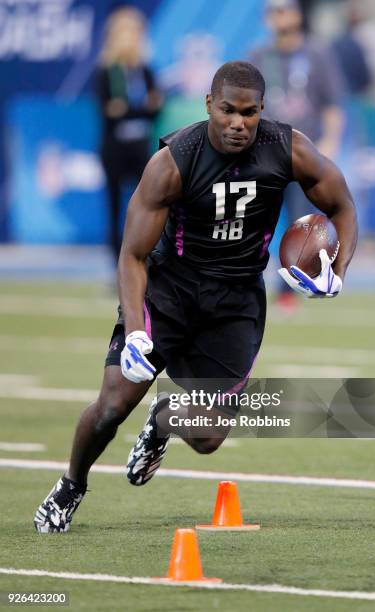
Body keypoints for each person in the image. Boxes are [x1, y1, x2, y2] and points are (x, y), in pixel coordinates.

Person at [34, 61, 357, 533]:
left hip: (236, 301)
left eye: (248, 113)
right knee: (112, 405)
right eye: (227, 110)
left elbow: (342, 205)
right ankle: (71, 485)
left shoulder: (288, 147)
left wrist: (338, 270)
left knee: (208, 437)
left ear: (262, 110)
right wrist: (138, 332)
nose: (237, 123)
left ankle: (164, 419)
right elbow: (132, 255)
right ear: (209, 104)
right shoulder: (174, 161)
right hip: (169, 291)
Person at [249, 0, 345, 311]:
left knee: (301, 224)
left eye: (285, 10)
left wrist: (329, 144)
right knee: (254, 222)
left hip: (305, 156)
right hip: (264, 154)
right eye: (274, 11)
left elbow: (332, 105)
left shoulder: (317, 54)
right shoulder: (258, 56)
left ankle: (289, 288)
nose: (280, 17)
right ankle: (244, 284)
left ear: (297, 14)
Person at [97, 6, 162, 262]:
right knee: (115, 208)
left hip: (140, 146)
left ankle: (143, 259)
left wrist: (129, 109)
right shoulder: (107, 71)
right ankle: (117, 263)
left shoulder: (144, 71)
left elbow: (154, 108)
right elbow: (109, 111)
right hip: (114, 146)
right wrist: (140, 107)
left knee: (145, 206)